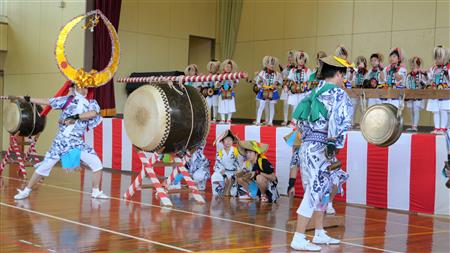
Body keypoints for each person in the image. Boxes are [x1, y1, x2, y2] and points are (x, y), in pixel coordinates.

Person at [290, 55, 353, 251]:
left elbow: (300, 123)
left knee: (323, 188)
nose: (344, 78)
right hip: (323, 147)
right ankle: (299, 236)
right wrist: (333, 143)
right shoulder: (338, 94)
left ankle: (318, 232)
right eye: (344, 74)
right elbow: (338, 119)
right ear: (338, 73)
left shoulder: (312, 92)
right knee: (314, 190)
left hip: (308, 146)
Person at [14, 83, 108, 200]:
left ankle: (96, 191)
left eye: (86, 88)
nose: (84, 90)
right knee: (44, 167)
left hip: (76, 142)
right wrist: (28, 99)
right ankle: (26, 191)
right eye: (81, 87)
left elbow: (93, 113)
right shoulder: (67, 100)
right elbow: (48, 101)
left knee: (97, 163)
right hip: (61, 141)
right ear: (74, 88)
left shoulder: (92, 103)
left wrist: (75, 117)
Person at [426, 46, 450, 134]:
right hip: (435, 92)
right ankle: (437, 128)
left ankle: (443, 128)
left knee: (443, 110)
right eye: (436, 58)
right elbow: (429, 79)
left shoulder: (448, 68)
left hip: (445, 92)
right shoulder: (433, 68)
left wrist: (447, 74)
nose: (437, 60)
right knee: (435, 111)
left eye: (439, 57)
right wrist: (426, 75)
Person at [211, 130, 242, 196]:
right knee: (215, 176)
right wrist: (223, 175)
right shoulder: (220, 152)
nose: (228, 142)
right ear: (222, 142)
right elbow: (217, 165)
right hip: (223, 172)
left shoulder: (236, 151)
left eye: (230, 140)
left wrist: (236, 172)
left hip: (233, 173)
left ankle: (231, 189)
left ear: (232, 141)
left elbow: (239, 163)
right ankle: (218, 192)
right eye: (226, 140)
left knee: (233, 194)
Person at [254, 56, 283, 126]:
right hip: (264, 90)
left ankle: (270, 121)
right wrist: (261, 83)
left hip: (273, 91)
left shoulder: (277, 74)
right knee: (261, 106)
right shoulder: (262, 73)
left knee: (271, 106)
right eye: (270, 64)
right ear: (266, 64)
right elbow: (258, 81)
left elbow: (280, 82)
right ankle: (258, 121)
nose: (272, 66)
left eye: (273, 64)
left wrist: (277, 84)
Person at [405, 56, 427, 132]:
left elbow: (425, 85)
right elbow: (406, 84)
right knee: (411, 110)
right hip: (410, 95)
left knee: (416, 109)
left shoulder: (421, 74)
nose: (412, 67)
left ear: (418, 66)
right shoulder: (408, 75)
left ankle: (415, 126)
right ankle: (412, 125)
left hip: (418, 95)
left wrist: (420, 83)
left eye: (414, 66)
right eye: (411, 65)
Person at [217, 59, 239, 124]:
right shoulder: (220, 75)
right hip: (222, 91)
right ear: (224, 67)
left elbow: (235, 84)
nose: (228, 68)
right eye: (227, 66)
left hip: (230, 91)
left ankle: (229, 119)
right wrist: (219, 83)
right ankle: (223, 119)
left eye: (229, 67)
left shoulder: (233, 76)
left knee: (230, 105)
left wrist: (234, 80)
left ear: (231, 68)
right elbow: (217, 84)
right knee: (222, 105)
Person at [281, 50, 297, 126]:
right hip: (286, 87)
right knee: (285, 104)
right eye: (289, 57)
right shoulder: (286, 67)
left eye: (291, 57)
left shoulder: (296, 67)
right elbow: (283, 77)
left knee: (292, 104)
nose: (290, 58)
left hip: (293, 87)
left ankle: (292, 120)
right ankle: (285, 120)